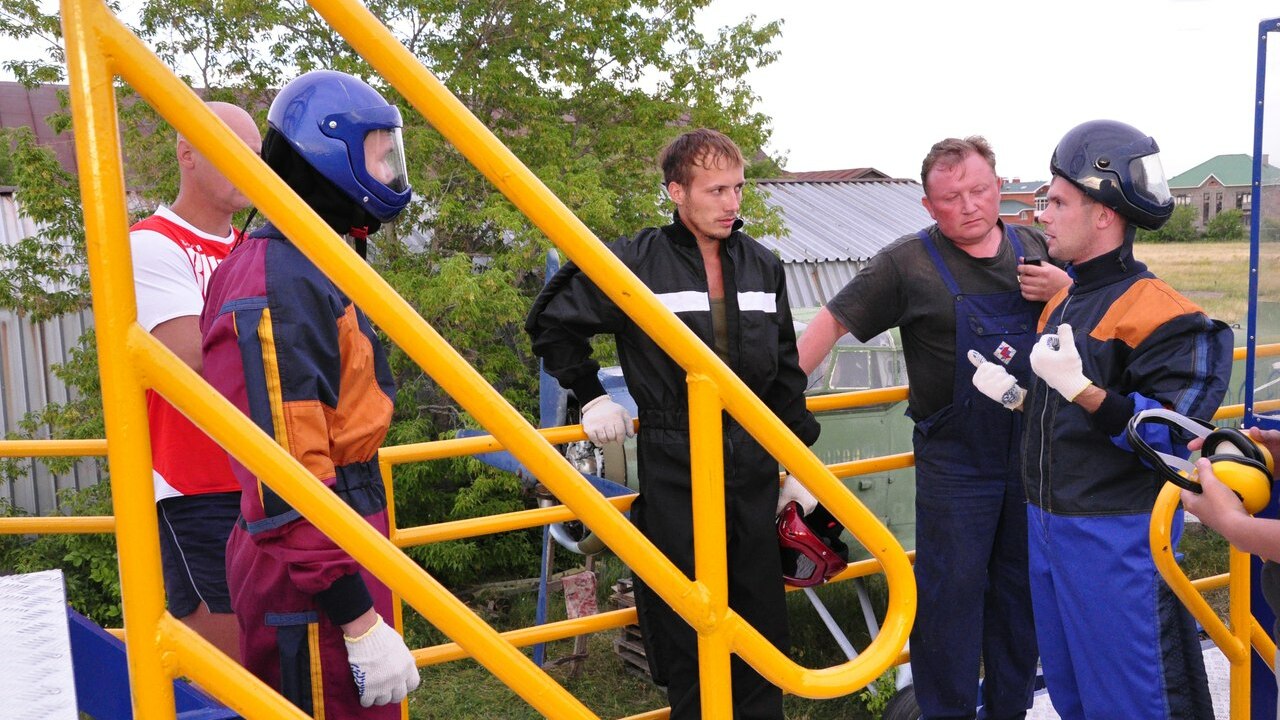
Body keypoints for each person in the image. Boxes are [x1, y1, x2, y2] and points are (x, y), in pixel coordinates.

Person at [526, 128, 820, 719]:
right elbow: (551, 321)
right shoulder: (636, 261)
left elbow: (785, 374)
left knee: (761, 623)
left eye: (738, 188)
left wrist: (799, 465)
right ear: (676, 192)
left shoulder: (762, 266)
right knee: (687, 619)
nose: (732, 203)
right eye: (716, 190)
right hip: (674, 458)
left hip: (752, 460)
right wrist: (591, 396)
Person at [796, 136, 1067, 720]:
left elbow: (1103, 316)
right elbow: (829, 325)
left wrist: (1067, 292)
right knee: (949, 600)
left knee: (1021, 597)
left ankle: (1010, 712)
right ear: (928, 206)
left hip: (1033, 457)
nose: (968, 206)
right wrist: (773, 407)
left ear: (1000, 187)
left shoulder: (1040, 249)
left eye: (979, 190)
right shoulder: (905, 263)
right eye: (950, 198)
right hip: (955, 466)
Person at [971, 119, 1233, 719]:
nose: (1043, 216)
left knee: (1139, 702)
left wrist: (1083, 390)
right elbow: (1070, 417)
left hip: (1119, 540)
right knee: (1074, 698)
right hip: (1047, 526)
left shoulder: (1169, 318)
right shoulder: (1065, 300)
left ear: (1104, 216)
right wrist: (1019, 399)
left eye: (1059, 202)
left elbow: (1171, 436)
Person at [200, 70, 419, 717]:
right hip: (312, 573)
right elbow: (285, 472)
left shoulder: (308, 260)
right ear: (330, 156)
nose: (390, 171)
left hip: (338, 541)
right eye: (379, 154)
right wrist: (356, 618)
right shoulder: (278, 278)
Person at [129, 101, 261, 662]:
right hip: (197, 485)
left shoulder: (251, 248)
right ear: (186, 154)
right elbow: (197, 360)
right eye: (231, 152)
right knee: (230, 669)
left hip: (264, 475)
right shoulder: (151, 242)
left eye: (255, 155)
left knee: (276, 659)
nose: (247, 165)